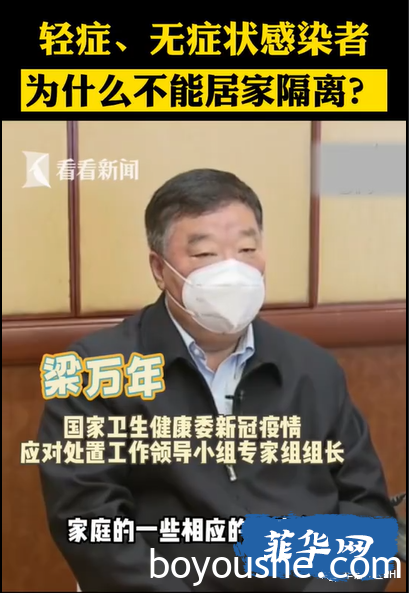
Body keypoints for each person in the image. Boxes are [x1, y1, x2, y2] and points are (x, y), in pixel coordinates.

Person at [38, 169, 395, 592]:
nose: (232, 270)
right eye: (206, 254)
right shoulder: (93, 372)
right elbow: (90, 522)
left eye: (246, 249)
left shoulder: (313, 369)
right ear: (159, 268)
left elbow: (367, 511)